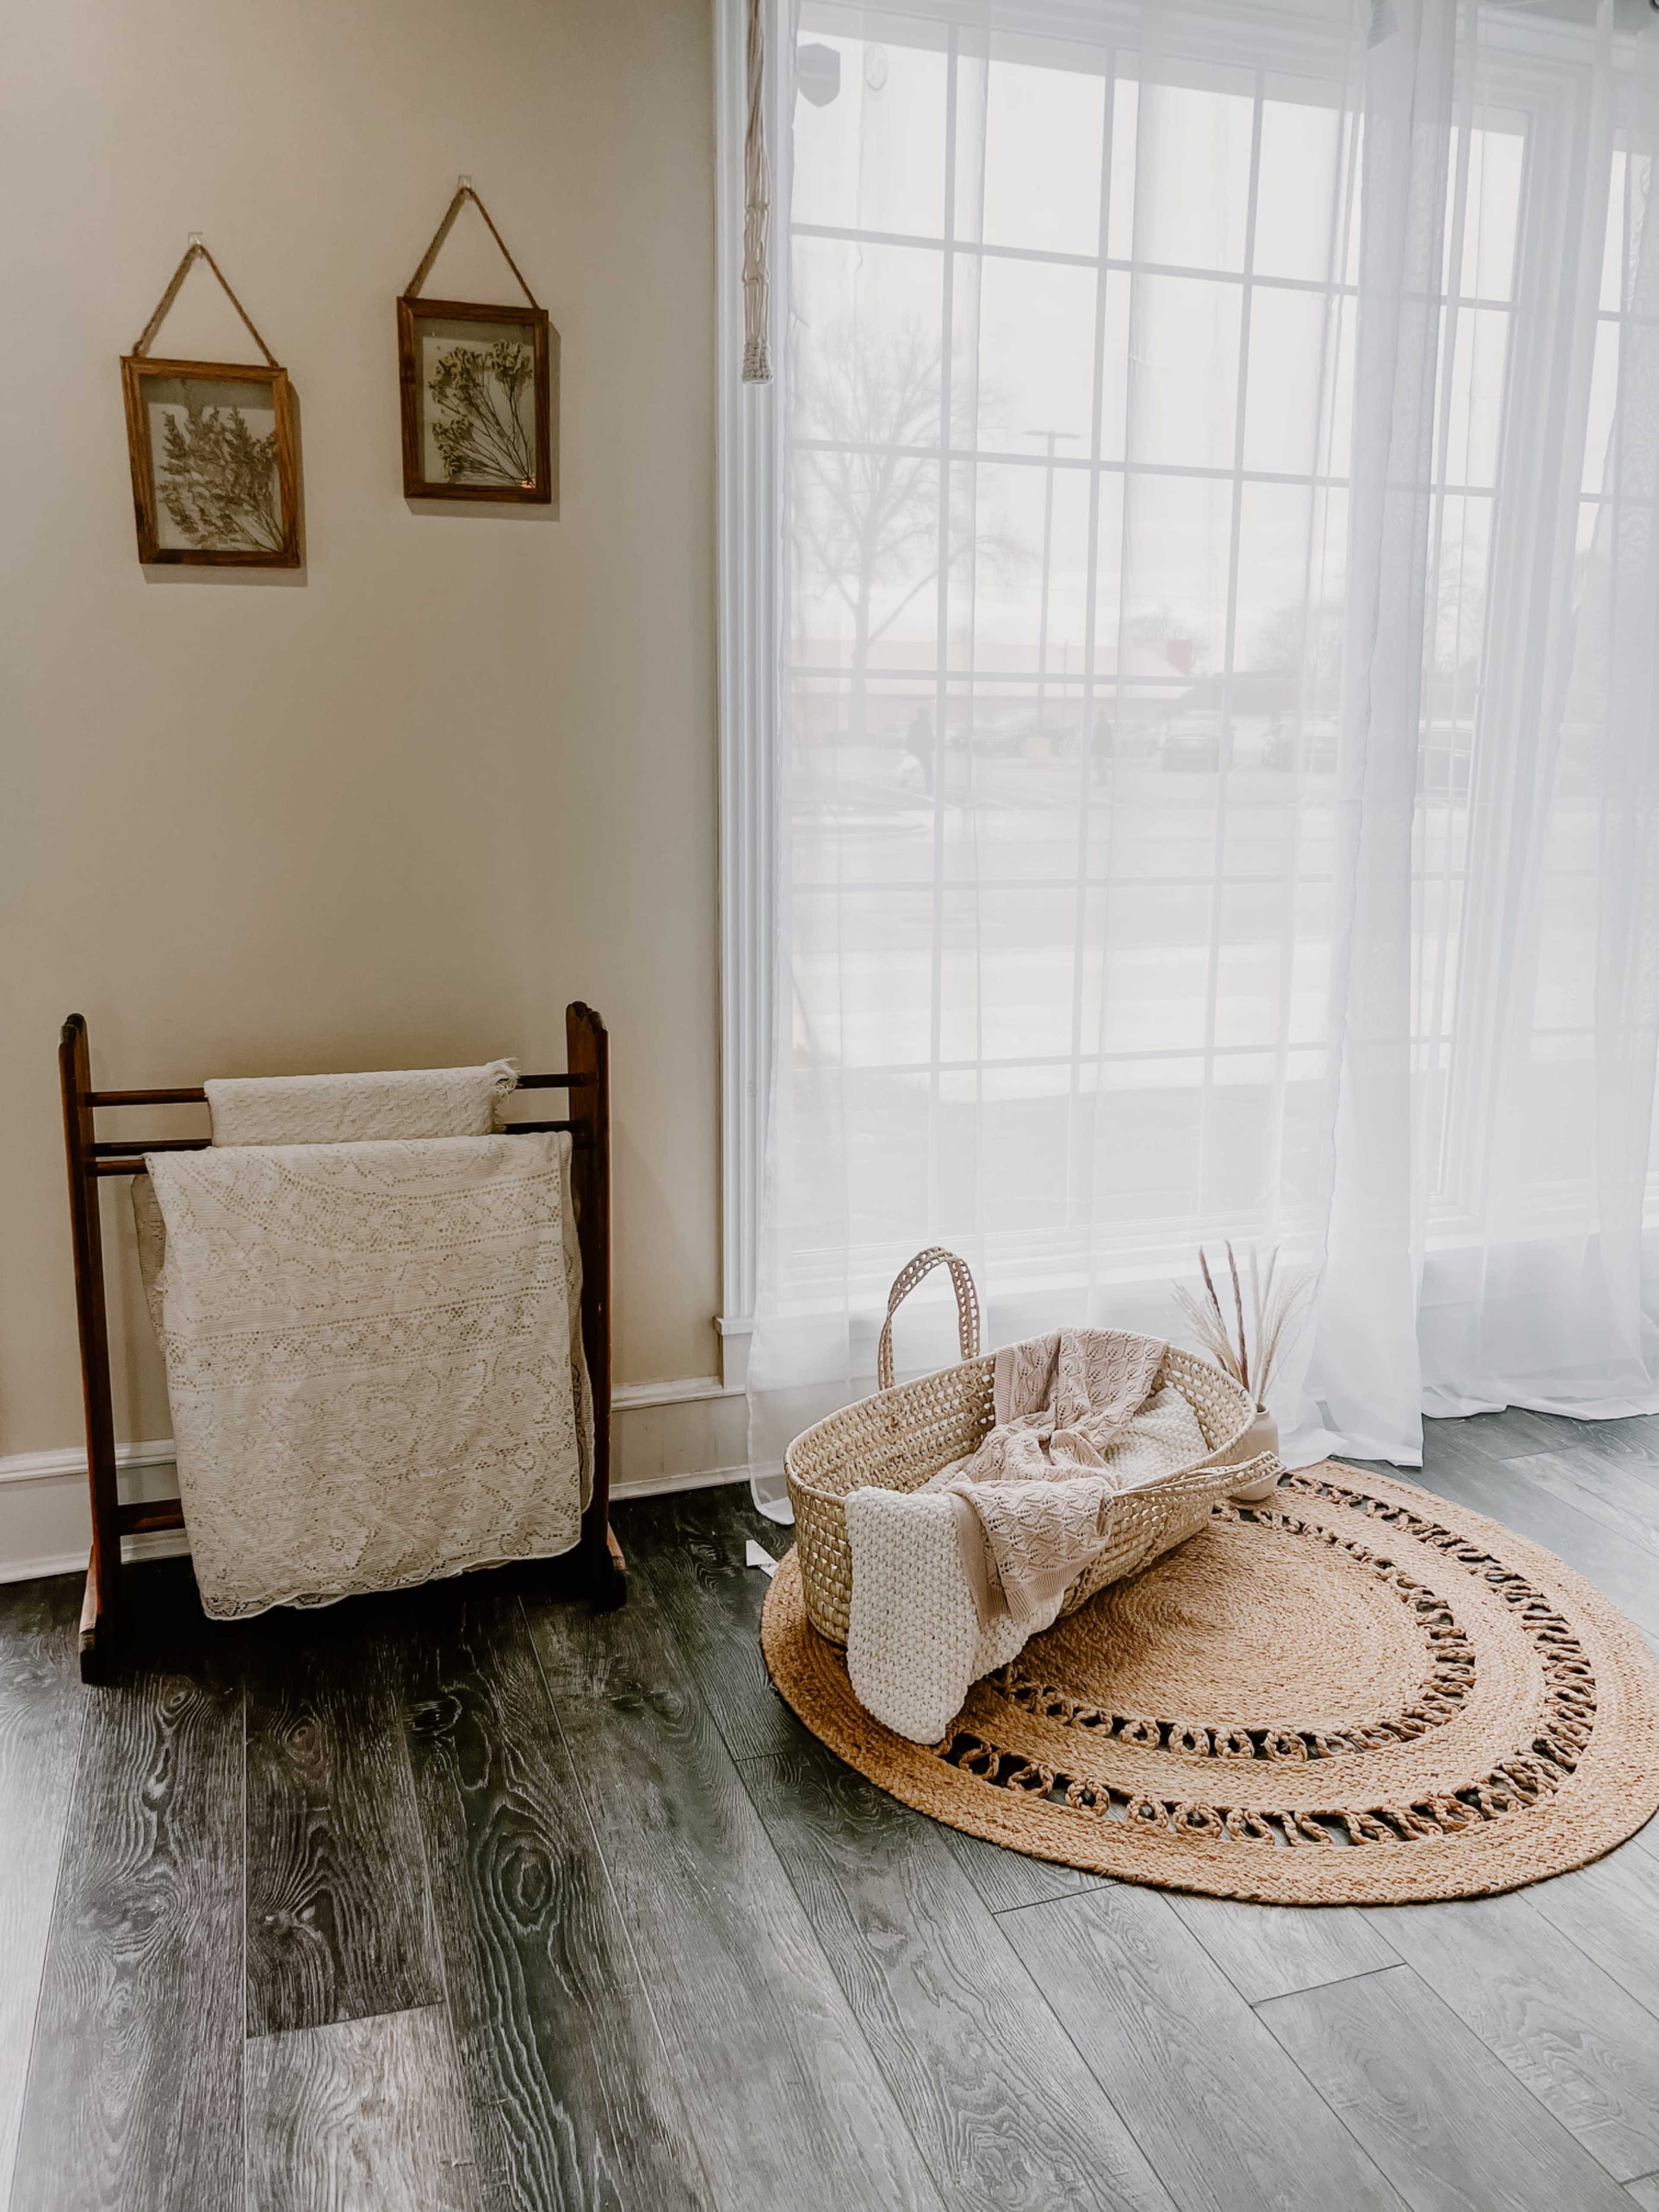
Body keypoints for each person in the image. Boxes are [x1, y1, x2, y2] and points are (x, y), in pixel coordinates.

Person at [906, 705, 934, 796]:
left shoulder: (916, 724)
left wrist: (909, 749)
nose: (926, 716)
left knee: (916, 768)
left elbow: (910, 737)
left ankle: (929, 787)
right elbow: (930, 736)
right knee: (927, 770)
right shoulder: (926, 724)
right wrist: (932, 745)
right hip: (922, 750)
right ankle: (929, 787)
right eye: (925, 714)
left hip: (918, 750)